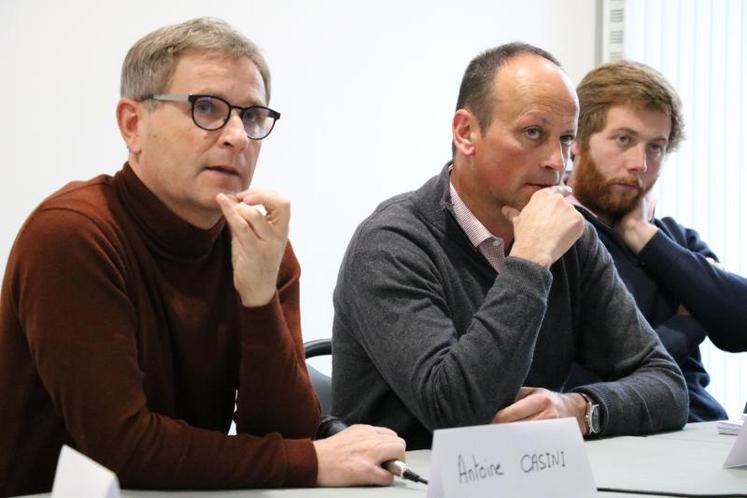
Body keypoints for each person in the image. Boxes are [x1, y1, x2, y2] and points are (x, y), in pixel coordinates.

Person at [0, 18, 405, 497]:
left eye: (252, 116)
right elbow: (122, 450)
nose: (237, 136)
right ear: (133, 125)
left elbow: (285, 431)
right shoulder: (71, 235)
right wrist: (311, 460)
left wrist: (257, 300)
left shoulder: (259, 242)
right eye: (207, 108)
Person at [331, 42, 689, 450]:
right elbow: (457, 413)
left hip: (529, 477)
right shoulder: (391, 243)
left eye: (566, 139)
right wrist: (530, 261)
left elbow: (667, 383)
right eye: (533, 133)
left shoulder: (571, 237)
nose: (558, 161)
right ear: (466, 133)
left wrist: (580, 410)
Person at [566, 60, 747, 421]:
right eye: (623, 139)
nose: (640, 164)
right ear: (577, 143)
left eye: (656, 147)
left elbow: (739, 324)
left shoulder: (671, 238)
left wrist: (640, 234)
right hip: (624, 434)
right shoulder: (554, 235)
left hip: (703, 428)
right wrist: (690, 322)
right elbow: (610, 368)